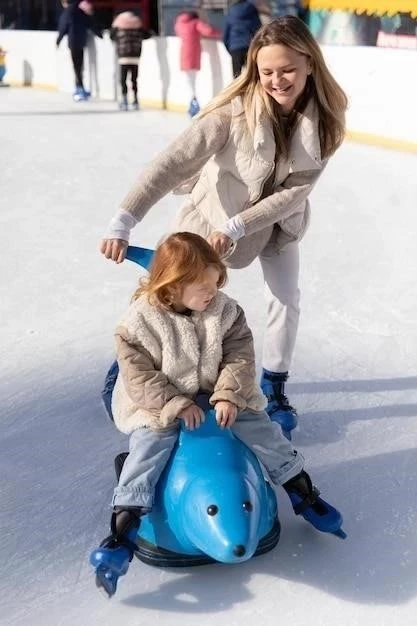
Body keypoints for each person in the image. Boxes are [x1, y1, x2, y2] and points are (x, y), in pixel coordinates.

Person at [99, 16, 348, 439]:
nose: (277, 80)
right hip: (210, 215)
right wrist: (125, 217)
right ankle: (133, 367)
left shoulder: (325, 119)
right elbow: (172, 162)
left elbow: (295, 191)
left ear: (309, 62)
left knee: (286, 299)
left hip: (277, 225)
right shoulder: (232, 113)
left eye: (287, 69)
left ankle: (276, 385)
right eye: (266, 71)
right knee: (174, 294)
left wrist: (239, 225)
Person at [90, 232, 343, 597]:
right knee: (148, 447)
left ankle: (302, 492)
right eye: (202, 286)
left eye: (215, 282)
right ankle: (123, 531)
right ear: (171, 288)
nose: (212, 292)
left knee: (263, 429)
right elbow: (138, 376)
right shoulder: (138, 324)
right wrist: (174, 404)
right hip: (159, 402)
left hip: (216, 395)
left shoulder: (225, 311)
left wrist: (227, 395)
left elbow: (240, 355)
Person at [174, 10, 221, 116]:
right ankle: (194, 103)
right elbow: (208, 31)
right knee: (194, 80)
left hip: (183, 54)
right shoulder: (195, 23)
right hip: (193, 53)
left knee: (189, 80)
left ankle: (192, 103)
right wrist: (220, 32)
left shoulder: (179, 24)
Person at [56, 0, 102, 102]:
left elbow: (63, 26)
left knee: (76, 66)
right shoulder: (80, 11)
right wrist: (100, 34)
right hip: (81, 41)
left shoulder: (68, 12)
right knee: (80, 65)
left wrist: (58, 40)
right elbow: (90, 23)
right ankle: (80, 87)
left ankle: (79, 88)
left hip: (73, 42)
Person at [110, 11, 152, 111]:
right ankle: (135, 100)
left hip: (123, 56)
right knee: (134, 79)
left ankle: (124, 99)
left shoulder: (118, 25)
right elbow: (147, 35)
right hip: (135, 56)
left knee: (123, 79)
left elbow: (112, 36)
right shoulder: (137, 25)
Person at [223, 0, 262, 78]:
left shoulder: (230, 11)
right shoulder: (251, 8)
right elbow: (258, 29)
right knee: (253, 74)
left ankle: (239, 90)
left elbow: (225, 35)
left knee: (237, 76)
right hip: (249, 45)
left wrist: (230, 49)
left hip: (235, 47)